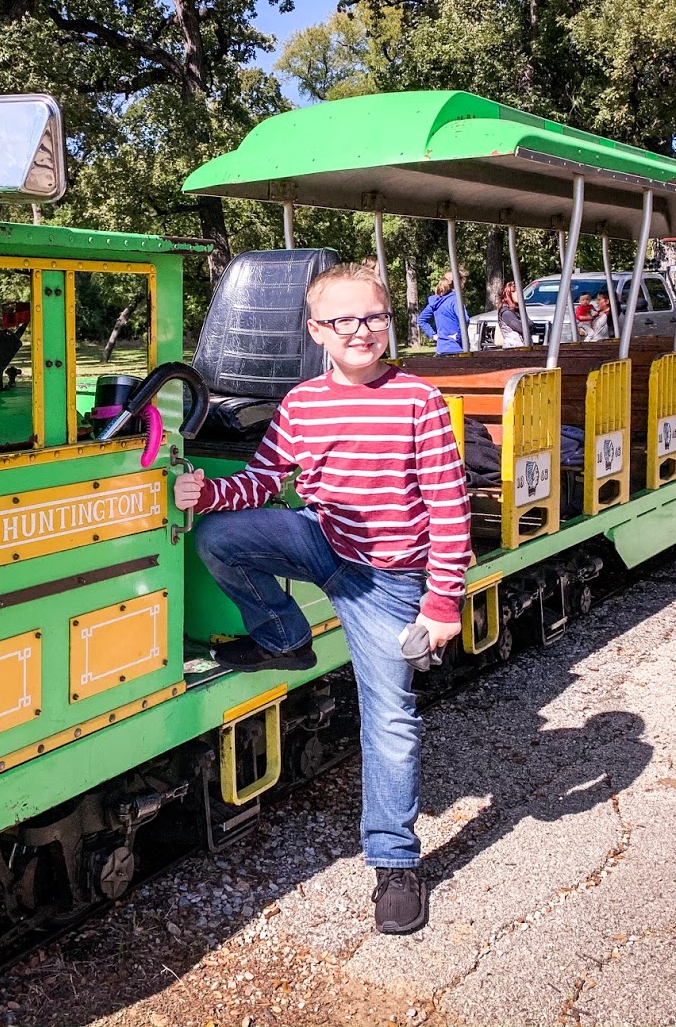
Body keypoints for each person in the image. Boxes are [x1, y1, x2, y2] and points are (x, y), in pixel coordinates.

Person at [174, 262, 471, 935]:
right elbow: (262, 479)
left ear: (388, 322)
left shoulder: (418, 401)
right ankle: (285, 638)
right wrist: (207, 495)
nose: (359, 331)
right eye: (343, 320)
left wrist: (443, 603)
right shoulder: (303, 403)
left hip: (387, 582)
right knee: (220, 539)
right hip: (323, 542)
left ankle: (395, 863)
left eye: (372, 317)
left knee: (389, 719)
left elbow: (450, 512)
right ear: (316, 331)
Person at [416, 271, 466, 354]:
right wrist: (458, 336)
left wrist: (433, 335)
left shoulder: (435, 301)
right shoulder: (455, 300)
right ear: (458, 283)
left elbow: (421, 319)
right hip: (457, 349)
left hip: (441, 349)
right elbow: (465, 320)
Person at [497, 281, 525, 347]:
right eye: (516, 292)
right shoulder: (506, 312)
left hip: (521, 345)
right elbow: (522, 328)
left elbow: (530, 324)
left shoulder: (517, 310)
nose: (520, 295)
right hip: (512, 347)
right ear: (509, 294)